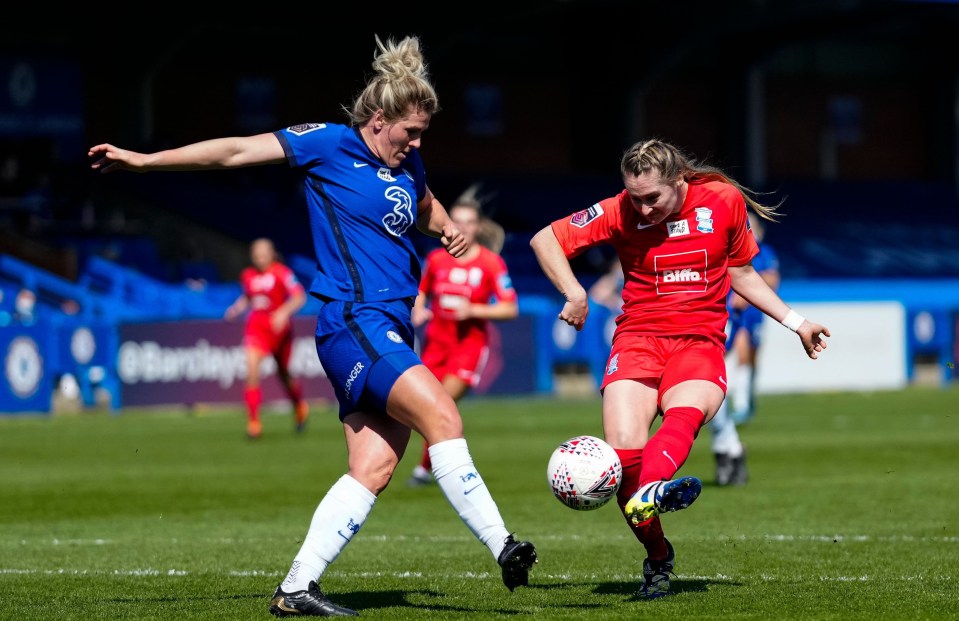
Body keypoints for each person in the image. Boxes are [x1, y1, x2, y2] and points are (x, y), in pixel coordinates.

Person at [89, 34, 537, 617]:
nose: (418, 142)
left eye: (423, 133)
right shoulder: (327, 145)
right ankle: (502, 545)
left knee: (373, 468)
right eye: (411, 131)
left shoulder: (408, 162)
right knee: (443, 417)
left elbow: (424, 205)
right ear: (379, 120)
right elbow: (234, 153)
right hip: (355, 317)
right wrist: (146, 162)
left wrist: (448, 227)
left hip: (387, 321)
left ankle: (295, 589)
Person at [529, 138, 830, 599]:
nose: (644, 209)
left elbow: (742, 273)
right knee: (624, 461)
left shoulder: (722, 201)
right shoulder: (618, 210)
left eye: (653, 198)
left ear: (680, 181)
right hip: (637, 341)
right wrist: (575, 292)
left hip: (699, 341)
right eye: (636, 198)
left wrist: (797, 323)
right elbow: (545, 238)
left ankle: (652, 490)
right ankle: (658, 555)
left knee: (686, 413)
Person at [405, 185, 519, 487]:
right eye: (457, 221)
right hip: (435, 343)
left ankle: (424, 469)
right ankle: (447, 467)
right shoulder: (437, 260)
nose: (463, 228)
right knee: (427, 408)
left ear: (478, 226)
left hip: (469, 346)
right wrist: (418, 310)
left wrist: (475, 310)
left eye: (468, 222)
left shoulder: (491, 263)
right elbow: (421, 291)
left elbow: (509, 308)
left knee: (439, 403)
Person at [224, 237, 309, 439]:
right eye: (256, 253)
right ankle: (254, 423)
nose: (259, 257)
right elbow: (248, 296)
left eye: (263, 253)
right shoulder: (248, 275)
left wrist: (283, 312)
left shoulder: (283, 272)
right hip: (256, 327)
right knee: (252, 370)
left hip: (279, 330)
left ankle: (299, 407)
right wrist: (236, 308)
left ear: (272, 254)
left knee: (284, 374)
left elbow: (299, 297)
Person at [726, 211, 780, 424]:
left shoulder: (764, 253)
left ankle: (746, 399)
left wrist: (748, 292)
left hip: (754, 312)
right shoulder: (729, 251)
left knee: (751, 358)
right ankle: (740, 406)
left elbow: (772, 279)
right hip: (732, 312)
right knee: (738, 352)